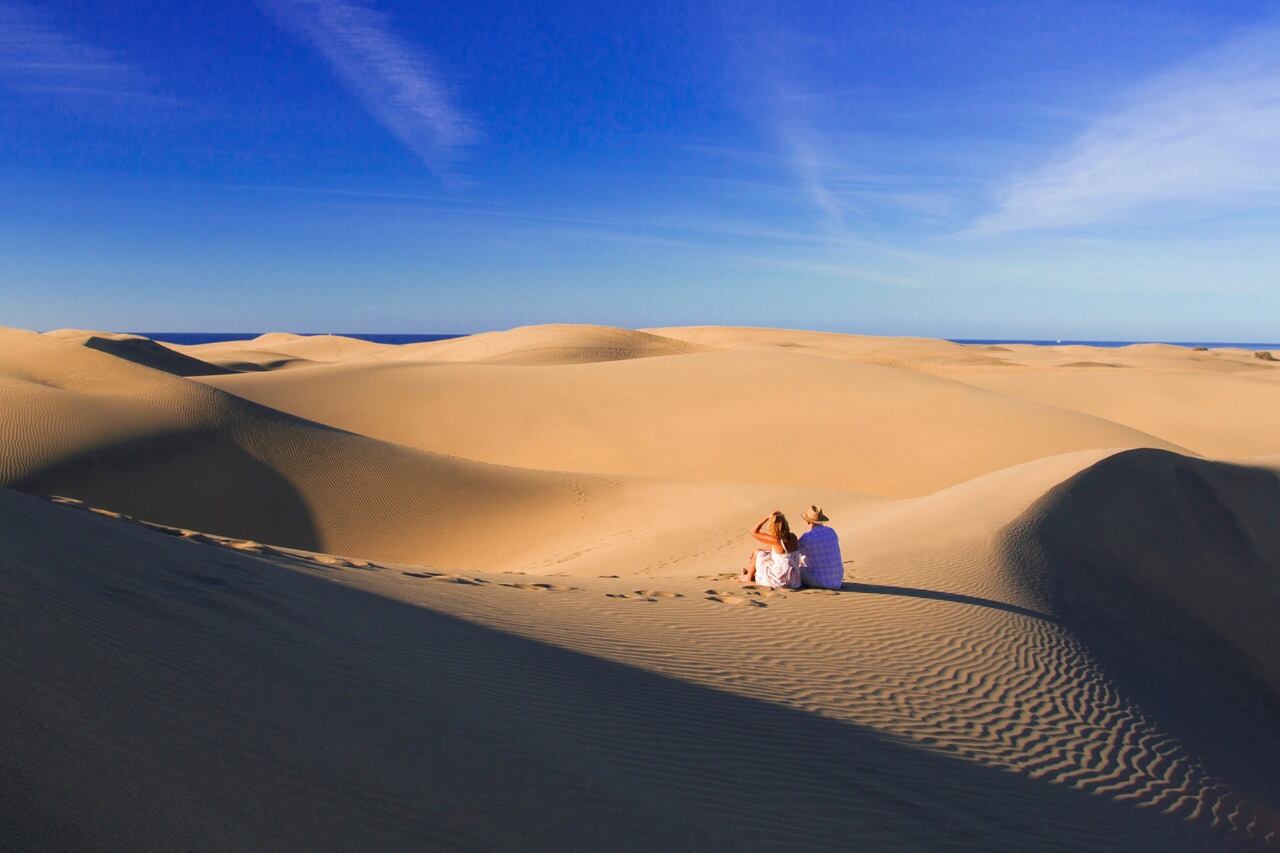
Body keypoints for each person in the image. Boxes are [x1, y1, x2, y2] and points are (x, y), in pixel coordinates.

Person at [741, 511, 801, 589]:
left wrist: (767, 517)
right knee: (761, 552)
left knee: (758, 553)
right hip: (794, 582)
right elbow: (779, 549)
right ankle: (752, 575)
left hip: (778, 582)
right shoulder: (793, 537)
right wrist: (760, 549)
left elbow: (753, 531)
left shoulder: (776, 540)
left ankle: (748, 577)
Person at [797, 505, 844, 589]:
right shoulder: (831, 531)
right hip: (837, 581)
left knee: (797, 567)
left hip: (821, 582)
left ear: (807, 521)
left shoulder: (807, 537)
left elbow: (792, 552)